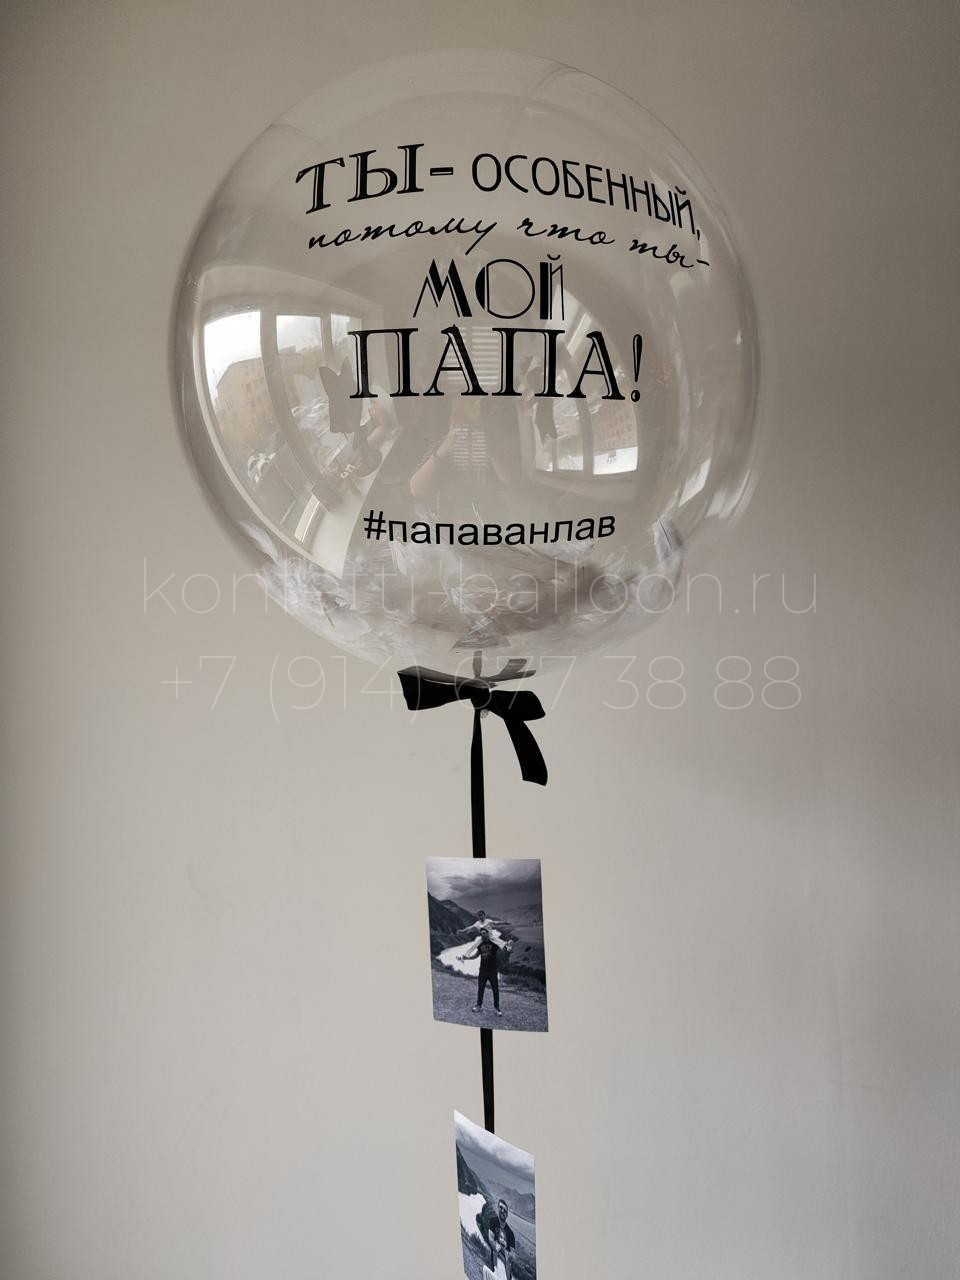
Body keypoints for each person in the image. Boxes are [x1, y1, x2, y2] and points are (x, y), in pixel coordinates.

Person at [464, 928, 513, 1016]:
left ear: (488, 933)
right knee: (481, 989)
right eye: (481, 933)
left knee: (495, 989)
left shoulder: (494, 943)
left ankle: (497, 1008)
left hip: (492, 971)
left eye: (484, 933)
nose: (483, 934)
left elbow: (504, 948)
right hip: (482, 970)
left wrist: (509, 945)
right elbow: (476, 955)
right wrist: (468, 958)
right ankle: (478, 1005)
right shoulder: (480, 944)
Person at [476, 1198, 516, 1280]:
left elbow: (513, 1255)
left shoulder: (510, 1233)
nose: (502, 1211)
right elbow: (490, 1239)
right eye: (501, 1207)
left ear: (507, 1214)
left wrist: (509, 1256)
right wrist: (503, 1254)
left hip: (506, 1270)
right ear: (498, 1208)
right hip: (495, 1263)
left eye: (505, 1210)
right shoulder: (493, 1221)